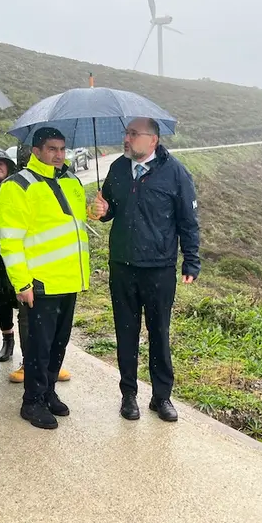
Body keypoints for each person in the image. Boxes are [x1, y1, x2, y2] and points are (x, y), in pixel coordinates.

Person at [90, 117, 201, 423]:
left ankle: (161, 397)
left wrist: (191, 260)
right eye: (127, 133)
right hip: (123, 266)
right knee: (126, 332)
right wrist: (102, 211)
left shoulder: (175, 173)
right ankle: (128, 395)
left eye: (134, 134)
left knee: (159, 333)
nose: (127, 138)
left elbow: (188, 221)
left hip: (159, 269)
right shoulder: (118, 169)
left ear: (153, 140)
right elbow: (110, 208)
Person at [0, 127, 89, 430]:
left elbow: (73, 226)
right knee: (38, 347)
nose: (59, 155)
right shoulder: (18, 185)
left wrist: (96, 210)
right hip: (40, 283)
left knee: (58, 344)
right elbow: (10, 240)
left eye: (62, 149)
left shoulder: (71, 181)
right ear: (36, 151)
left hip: (69, 280)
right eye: (51, 149)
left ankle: (48, 392)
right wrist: (21, 283)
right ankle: (32, 402)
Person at [0, 148, 72, 382]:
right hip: (6, 264)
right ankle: (26, 361)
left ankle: (45, 363)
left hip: (33, 265)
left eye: (2, 163)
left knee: (34, 318)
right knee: (19, 315)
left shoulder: (23, 185)